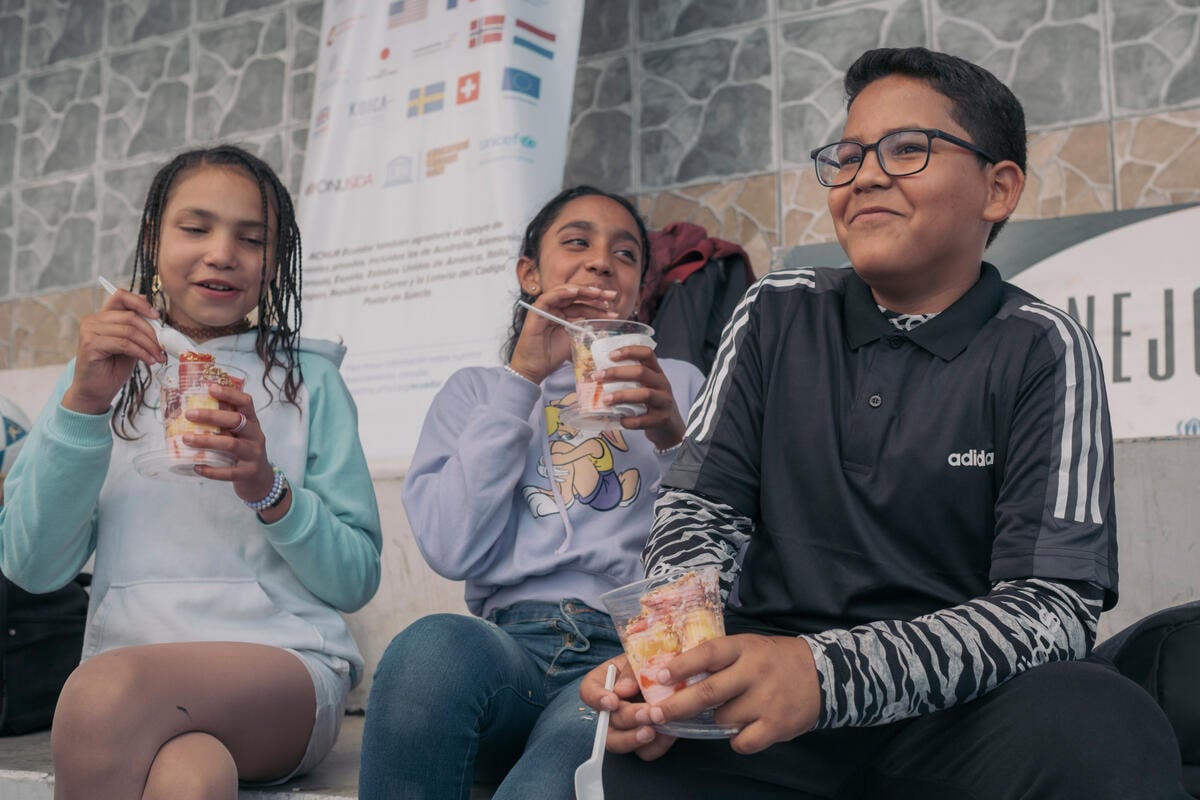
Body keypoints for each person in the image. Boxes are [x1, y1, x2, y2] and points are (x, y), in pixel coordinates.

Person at [580, 47, 1191, 799]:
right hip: (769, 701)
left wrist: (826, 676)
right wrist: (678, 667)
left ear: (998, 189)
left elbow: (1051, 612)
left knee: (1100, 722)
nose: (864, 175)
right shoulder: (776, 311)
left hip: (957, 717)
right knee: (630, 759)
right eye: (848, 155)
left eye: (907, 149)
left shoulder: (1042, 347)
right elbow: (699, 513)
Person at [0, 144, 382, 799]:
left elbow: (356, 579)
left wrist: (268, 488)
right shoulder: (99, 374)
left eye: (252, 239)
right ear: (154, 240)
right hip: (137, 690)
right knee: (192, 779)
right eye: (196, 228)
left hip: (283, 672)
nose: (222, 253)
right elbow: (31, 566)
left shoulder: (309, 381)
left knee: (101, 691)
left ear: (276, 260)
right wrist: (85, 405)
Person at [358, 186, 706, 800]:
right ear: (530, 274)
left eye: (625, 254)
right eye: (577, 242)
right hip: (507, 648)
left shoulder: (677, 384)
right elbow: (451, 549)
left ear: (638, 291)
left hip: (626, 654)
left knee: (548, 781)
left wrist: (672, 438)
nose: (601, 261)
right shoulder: (475, 393)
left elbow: (728, 544)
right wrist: (521, 379)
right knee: (428, 650)